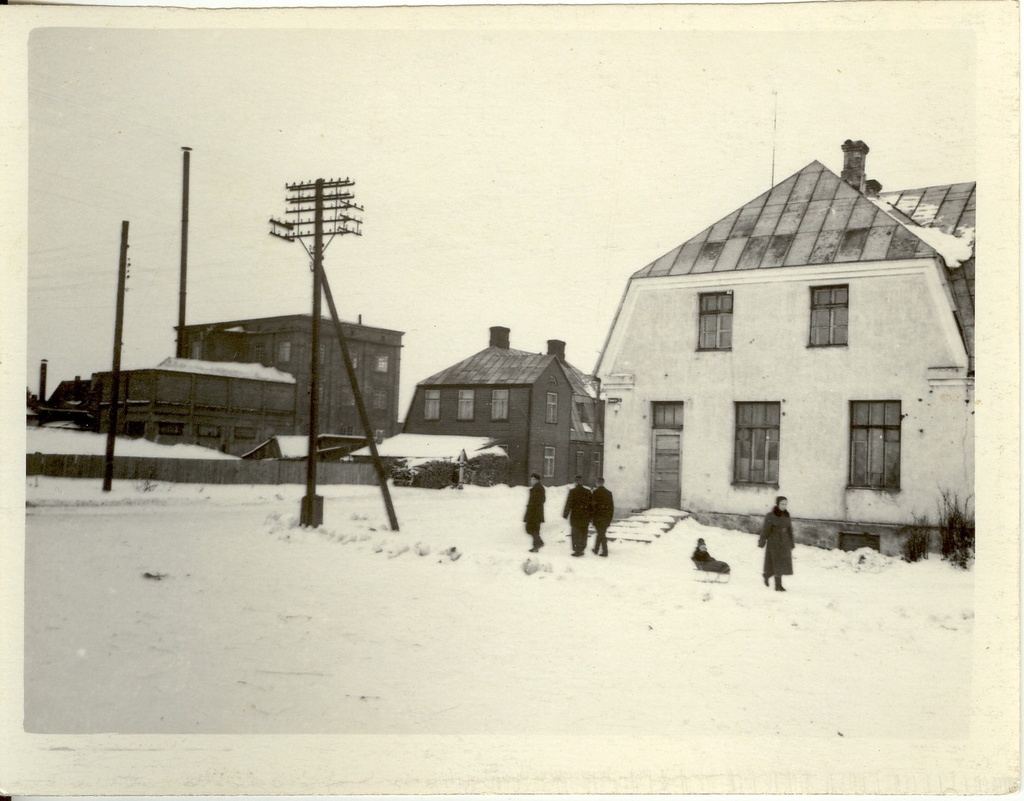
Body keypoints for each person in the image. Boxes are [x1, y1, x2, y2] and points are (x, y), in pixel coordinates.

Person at [758, 495, 794, 591]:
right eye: (782, 504)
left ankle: (767, 575)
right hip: (774, 542)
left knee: (782, 563)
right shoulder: (771, 515)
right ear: (777, 504)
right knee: (777, 562)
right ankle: (778, 585)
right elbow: (766, 529)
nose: (784, 506)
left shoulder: (787, 515)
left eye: (785, 504)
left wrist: (791, 542)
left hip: (785, 542)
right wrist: (762, 540)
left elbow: (790, 529)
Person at [563, 475, 593, 557]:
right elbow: (591, 505)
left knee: (576, 533)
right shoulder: (588, 492)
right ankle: (582, 548)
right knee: (584, 532)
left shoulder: (573, 492)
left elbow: (568, 504)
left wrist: (565, 514)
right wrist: (591, 517)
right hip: (585, 516)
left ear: (575, 482)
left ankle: (577, 550)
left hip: (575, 516)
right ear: (582, 482)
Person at [590, 477, 614, 557]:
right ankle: (596, 549)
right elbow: (611, 508)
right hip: (606, 518)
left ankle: (604, 551)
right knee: (601, 533)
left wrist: (591, 517)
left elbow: (592, 507)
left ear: (597, 483)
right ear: (603, 483)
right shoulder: (608, 493)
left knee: (601, 533)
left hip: (597, 517)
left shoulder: (595, 493)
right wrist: (610, 518)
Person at [524, 473, 546, 552]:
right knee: (535, 529)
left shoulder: (538, 488)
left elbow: (540, 500)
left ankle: (539, 543)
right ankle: (536, 547)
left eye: (533, 479)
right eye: (531, 479)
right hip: (536, 512)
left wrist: (532, 511)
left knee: (530, 528)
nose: (531, 481)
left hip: (534, 513)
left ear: (537, 480)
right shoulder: (537, 488)